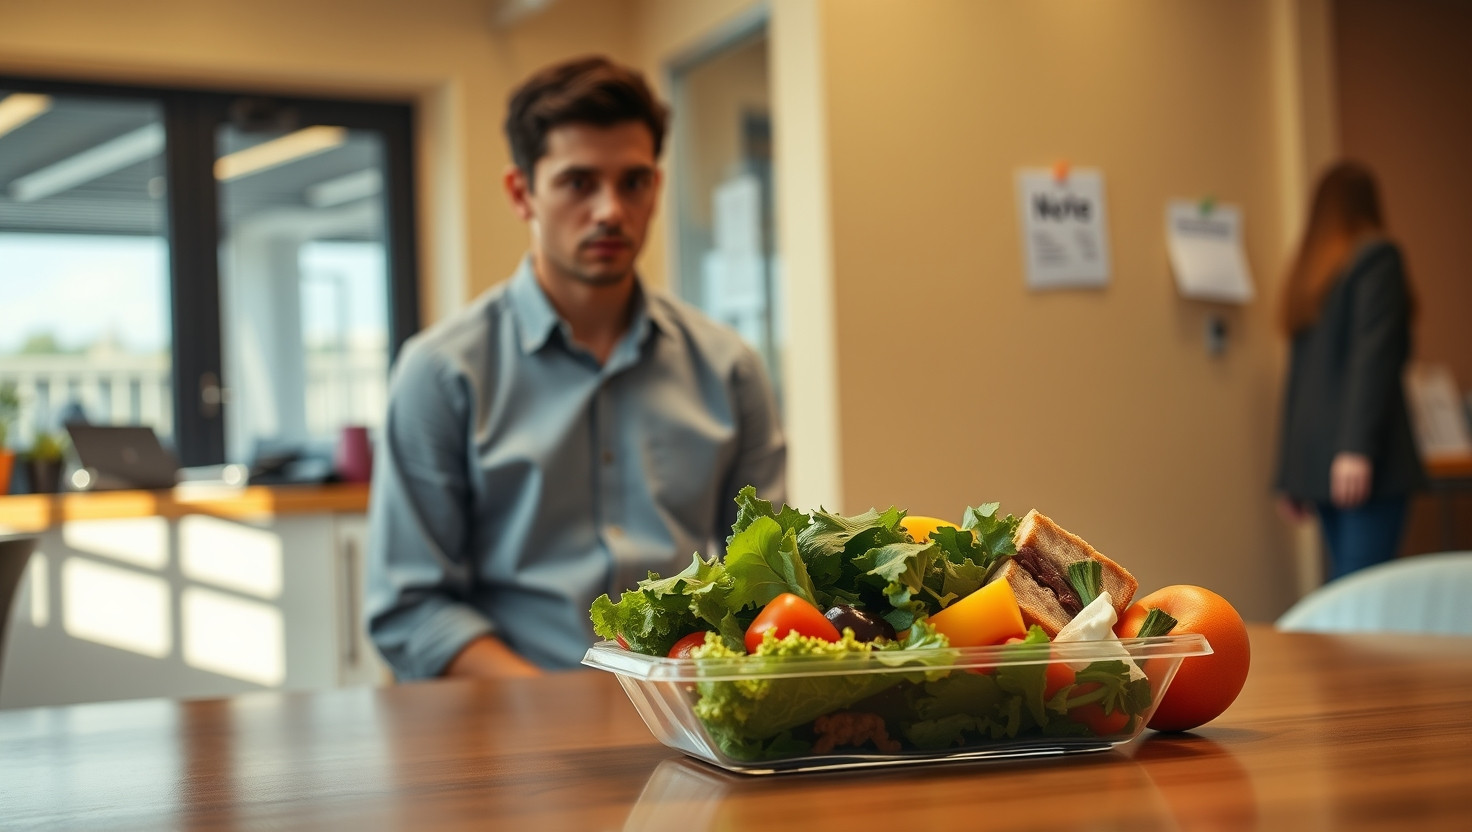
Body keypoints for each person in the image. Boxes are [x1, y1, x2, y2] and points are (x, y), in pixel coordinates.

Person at [365, 56, 787, 680]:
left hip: (693, 725)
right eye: (578, 182)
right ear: (521, 192)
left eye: (633, 182)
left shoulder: (731, 369)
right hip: (510, 733)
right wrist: (556, 709)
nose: (611, 210)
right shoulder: (441, 373)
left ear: (656, 188)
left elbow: (766, 579)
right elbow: (411, 610)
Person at [1274, 161, 1425, 582]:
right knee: (1365, 591)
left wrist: (1291, 471)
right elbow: (1372, 355)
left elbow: (1300, 378)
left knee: (1348, 585)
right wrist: (1356, 448)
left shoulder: (1311, 273)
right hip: (1364, 459)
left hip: (1319, 459)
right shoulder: (1378, 257)